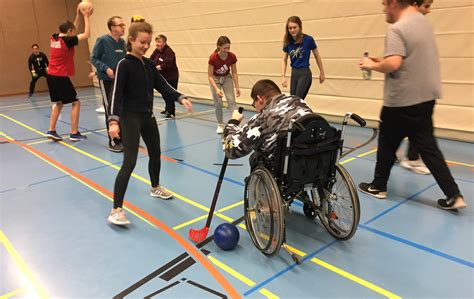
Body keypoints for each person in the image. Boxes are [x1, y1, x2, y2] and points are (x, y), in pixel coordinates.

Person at [358, 0, 466, 210]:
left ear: (394, 3)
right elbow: (407, 57)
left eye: (384, 4)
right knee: (428, 147)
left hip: (401, 101)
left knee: (387, 143)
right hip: (425, 98)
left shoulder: (397, 28)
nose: (383, 9)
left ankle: (378, 185)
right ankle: (454, 195)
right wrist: (380, 58)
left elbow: (394, 63)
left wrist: (372, 64)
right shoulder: (422, 22)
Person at [107, 21, 192, 226]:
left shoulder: (149, 65)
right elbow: (115, 95)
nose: (146, 46)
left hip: (147, 116)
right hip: (130, 118)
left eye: (148, 43)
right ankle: (116, 209)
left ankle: (155, 187)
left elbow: (163, 86)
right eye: (142, 42)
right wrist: (113, 121)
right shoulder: (124, 64)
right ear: (131, 40)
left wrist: (179, 97)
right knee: (130, 162)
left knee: (155, 153)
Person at [223, 79, 312, 165]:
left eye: (254, 104)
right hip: (311, 163)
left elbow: (231, 151)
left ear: (259, 99)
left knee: (255, 157)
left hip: (284, 169)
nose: (256, 109)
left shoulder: (262, 118)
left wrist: (233, 122)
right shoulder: (300, 102)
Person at [398, 0, 434, 175]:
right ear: (414, 4)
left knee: (416, 127)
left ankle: (410, 157)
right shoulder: (403, 27)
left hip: (418, 92)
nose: (428, 11)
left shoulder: (421, 28)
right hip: (408, 93)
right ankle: (410, 158)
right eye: (426, 6)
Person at [45, 6, 92, 142]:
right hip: (60, 76)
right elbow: (86, 34)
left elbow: (73, 29)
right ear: (70, 31)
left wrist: (77, 14)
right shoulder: (68, 41)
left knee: (59, 103)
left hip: (51, 75)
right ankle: (74, 133)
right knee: (76, 103)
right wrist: (86, 16)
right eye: (72, 31)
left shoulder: (54, 38)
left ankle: (51, 130)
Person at [91, 16, 127, 152]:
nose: (123, 27)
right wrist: (106, 69)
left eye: (123, 24)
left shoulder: (122, 42)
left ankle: (123, 138)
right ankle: (114, 141)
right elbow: (93, 58)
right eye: (120, 25)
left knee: (122, 108)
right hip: (106, 81)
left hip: (120, 81)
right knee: (110, 109)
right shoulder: (102, 40)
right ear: (112, 28)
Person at [281, 16, 325, 100]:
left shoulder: (308, 40)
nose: (292, 30)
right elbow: (284, 59)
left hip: (304, 74)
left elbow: (317, 56)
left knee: (297, 101)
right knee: (292, 101)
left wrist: (322, 72)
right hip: (294, 74)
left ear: (300, 27)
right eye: (290, 28)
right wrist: (283, 76)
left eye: (294, 27)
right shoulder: (288, 42)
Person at [208, 36, 240, 134]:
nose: (227, 50)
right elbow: (209, 76)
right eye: (224, 48)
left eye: (228, 48)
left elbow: (234, 72)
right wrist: (217, 89)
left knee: (231, 100)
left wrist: (237, 87)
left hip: (227, 78)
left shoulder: (232, 56)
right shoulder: (213, 58)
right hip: (215, 79)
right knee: (218, 103)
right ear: (219, 47)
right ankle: (220, 124)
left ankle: (235, 124)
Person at [150, 34, 179, 119]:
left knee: (170, 94)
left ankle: (171, 112)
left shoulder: (169, 52)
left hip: (171, 77)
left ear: (164, 43)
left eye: (159, 42)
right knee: (164, 94)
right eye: (156, 42)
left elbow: (166, 65)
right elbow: (151, 59)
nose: (157, 44)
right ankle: (167, 108)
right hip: (163, 77)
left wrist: (156, 67)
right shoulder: (157, 51)